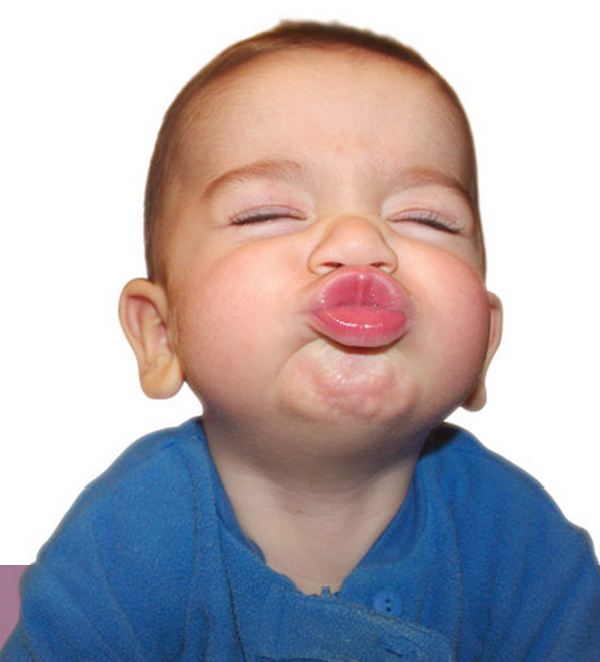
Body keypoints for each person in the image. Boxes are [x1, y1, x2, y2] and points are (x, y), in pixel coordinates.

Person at [2, 20, 599, 661]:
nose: (360, 243)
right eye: (268, 213)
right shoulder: (125, 543)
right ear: (162, 334)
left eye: (425, 219)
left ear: (485, 342)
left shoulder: (523, 548)